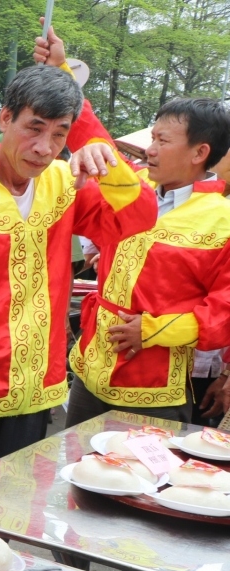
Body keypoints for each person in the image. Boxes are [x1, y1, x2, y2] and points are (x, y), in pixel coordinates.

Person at [0, 26, 156, 474]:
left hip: (35, 391)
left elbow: (138, 219)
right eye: (33, 128)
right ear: (5, 118)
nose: (44, 148)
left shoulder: (66, 184)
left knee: (12, 513)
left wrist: (98, 148)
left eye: (60, 133)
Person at [67, 97, 230, 425]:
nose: (150, 149)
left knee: (137, 472)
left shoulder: (221, 221)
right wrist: (64, 75)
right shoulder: (134, 187)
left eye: (163, 141)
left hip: (153, 386)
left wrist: (156, 330)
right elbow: (99, 146)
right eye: (152, 138)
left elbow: (224, 306)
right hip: (91, 370)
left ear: (200, 153)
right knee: (71, 465)